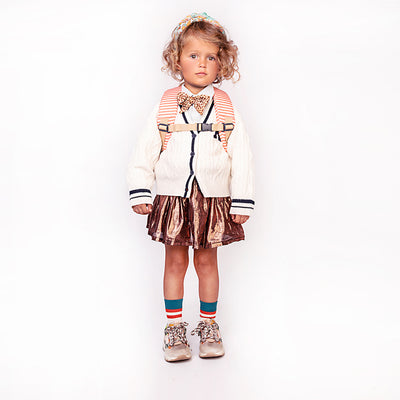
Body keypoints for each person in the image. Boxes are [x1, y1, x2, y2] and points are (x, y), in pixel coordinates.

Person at [126, 12, 255, 362]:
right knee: (174, 262)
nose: (202, 64)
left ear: (222, 63)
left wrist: (242, 199)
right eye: (194, 55)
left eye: (211, 57)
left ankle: (209, 325)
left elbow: (242, 154)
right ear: (177, 59)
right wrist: (140, 188)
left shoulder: (226, 107)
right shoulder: (165, 105)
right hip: (173, 197)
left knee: (208, 261)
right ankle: (174, 330)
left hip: (213, 198)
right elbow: (145, 148)